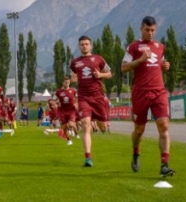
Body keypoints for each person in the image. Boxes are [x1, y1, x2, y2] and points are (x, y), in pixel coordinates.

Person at [121, 15, 175, 177]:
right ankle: (136, 152)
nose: (150, 33)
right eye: (147, 30)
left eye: (152, 30)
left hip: (159, 91)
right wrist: (140, 60)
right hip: (140, 93)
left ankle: (164, 164)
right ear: (141, 29)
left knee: (164, 125)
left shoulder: (160, 47)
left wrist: (164, 66)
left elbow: (159, 64)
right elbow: (123, 67)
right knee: (139, 130)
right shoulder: (133, 47)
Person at [70, 35, 112, 167]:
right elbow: (73, 76)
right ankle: (88, 158)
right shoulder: (75, 62)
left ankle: (102, 126)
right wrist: (73, 79)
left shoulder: (98, 59)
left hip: (98, 97)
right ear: (79, 46)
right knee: (86, 125)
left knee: (103, 127)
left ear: (91, 45)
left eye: (86, 44)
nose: (84, 46)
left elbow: (110, 73)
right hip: (83, 97)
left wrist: (101, 75)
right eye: (82, 44)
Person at [54, 76, 78, 145]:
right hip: (62, 111)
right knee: (64, 127)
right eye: (66, 82)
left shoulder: (73, 91)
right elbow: (54, 100)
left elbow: (77, 98)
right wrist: (56, 104)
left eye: (68, 82)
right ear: (63, 83)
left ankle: (74, 132)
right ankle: (69, 140)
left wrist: (76, 104)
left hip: (71, 110)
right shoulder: (58, 92)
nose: (67, 83)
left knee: (71, 124)